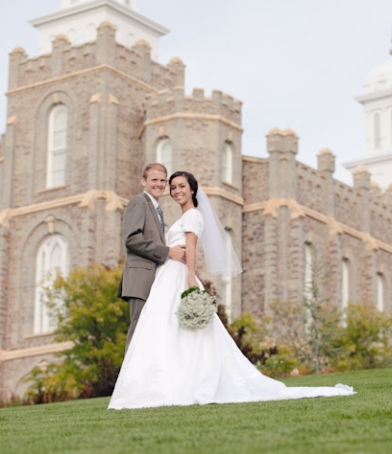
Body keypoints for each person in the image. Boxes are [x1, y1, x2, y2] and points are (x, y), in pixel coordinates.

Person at [109, 171, 355, 410]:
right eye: (172, 187)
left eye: (180, 186)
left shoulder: (193, 215)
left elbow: (191, 249)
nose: (175, 190)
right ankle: (163, 381)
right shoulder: (181, 215)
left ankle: (184, 383)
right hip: (167, 276)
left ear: (192, 189)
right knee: (167, 332)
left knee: (181, 333)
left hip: (179, 276)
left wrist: (192, 277)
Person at [118, 163, 186, 352]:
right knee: (138, 330)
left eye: (162, 180)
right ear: (143, 181)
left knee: (148, 333)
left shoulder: (157, 209)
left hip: (154, 279)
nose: (159, 184)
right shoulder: (138, 202)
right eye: (154, 180)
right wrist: (168, 251)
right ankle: (127, 380)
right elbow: (132, 239)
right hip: (140, 279)